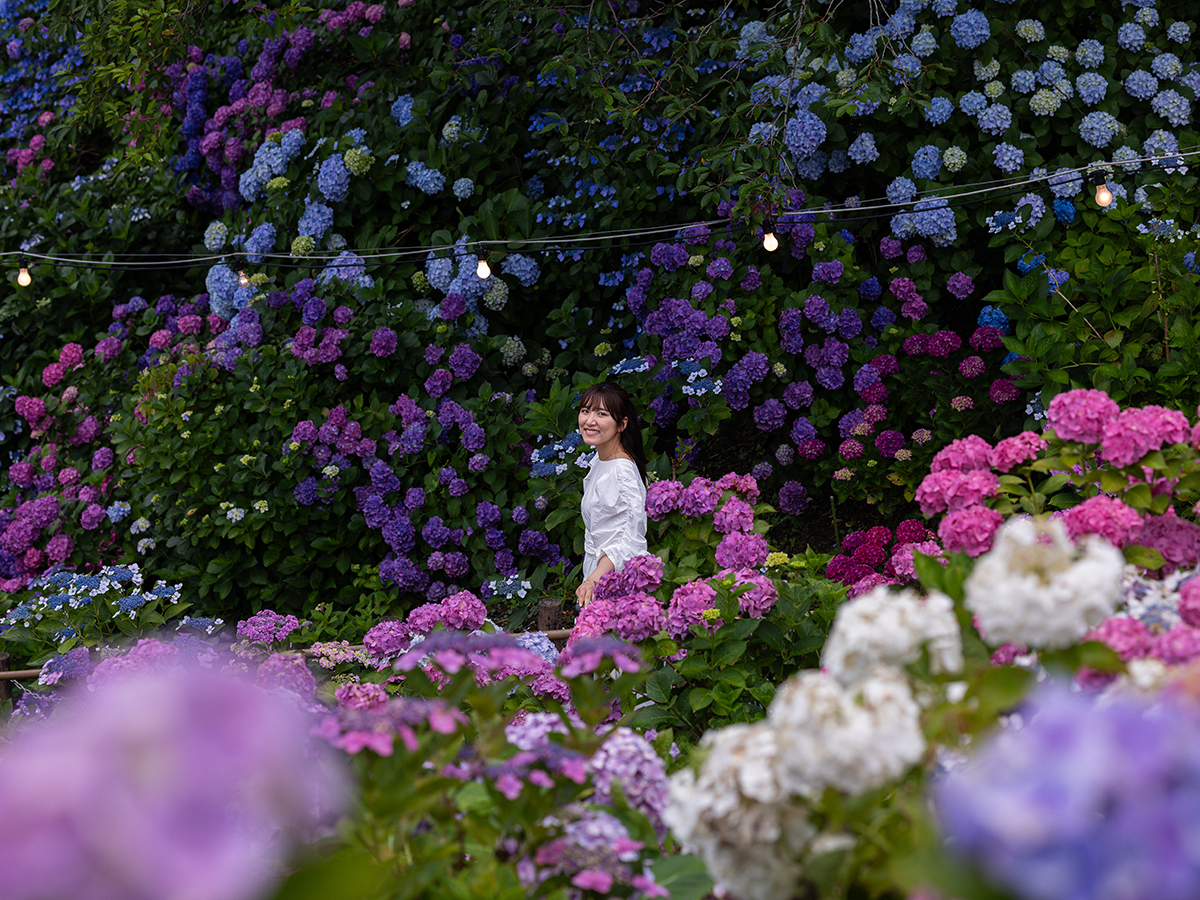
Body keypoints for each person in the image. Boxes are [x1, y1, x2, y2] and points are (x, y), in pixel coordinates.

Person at [575, 381, 648, 607]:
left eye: (602, 414)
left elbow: (628, 538)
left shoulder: (620, 472)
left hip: (612, 584)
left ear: (622, 424)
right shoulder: (601, 460)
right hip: (597, 578)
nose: (590, 421)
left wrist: (593, 580)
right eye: (585, 411)